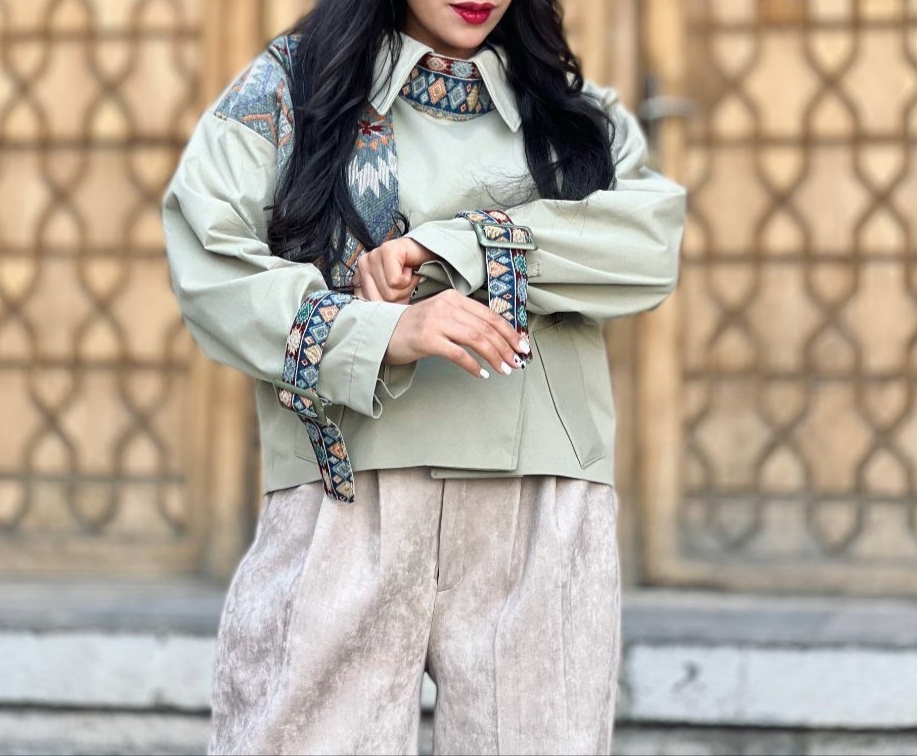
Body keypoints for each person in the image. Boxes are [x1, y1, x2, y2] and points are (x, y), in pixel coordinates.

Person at [163, 0, 685, 753]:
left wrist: (463, 247)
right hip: (346, 495)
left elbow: (650, 244)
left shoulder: (570, 109)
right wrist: (381, 332)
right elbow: (210, 266)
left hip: (541, 502)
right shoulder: (291, 90)